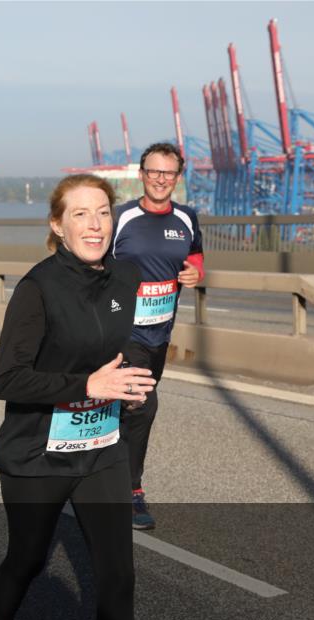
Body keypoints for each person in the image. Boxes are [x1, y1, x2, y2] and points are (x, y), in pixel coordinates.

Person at [0, 174, 155, 620]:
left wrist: (132, 382)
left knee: (118, 575)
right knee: (28, 559)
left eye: (102, 212)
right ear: (58, 225)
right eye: (80, 214)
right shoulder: (37, 289)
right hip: (37, 454)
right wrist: (86, 387)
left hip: (101, 449)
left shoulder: (126, 278)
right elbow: (6, 380)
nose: (95, 225)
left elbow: (124, 344)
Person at [111, 142, 204, 530]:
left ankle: (99, 467)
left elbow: (195, 255)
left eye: (169, 173)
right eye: (154, 171)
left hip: (160, 333)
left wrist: (196, 274)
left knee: (123, 409)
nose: (161, 179)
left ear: (177, 178)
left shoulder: (187, 217)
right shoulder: (120, 217)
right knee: (143, 405)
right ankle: (131, 492)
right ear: (142, 174)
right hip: (121, 331)